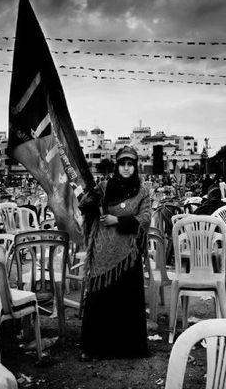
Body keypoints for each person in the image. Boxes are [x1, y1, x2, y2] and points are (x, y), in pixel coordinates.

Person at [79, 146, 151, 361]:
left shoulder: (142, 190)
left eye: (130, 164)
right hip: (103, 251)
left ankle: (129, 349)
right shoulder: (103, 187)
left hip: (128, 253)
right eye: (123, 164)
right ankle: (96, 348)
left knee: (127, 300)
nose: (126, 168)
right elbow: (86, 209)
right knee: (101, 298)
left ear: (135, 166)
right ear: (117, 166)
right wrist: (90, 199)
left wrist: (116, 220)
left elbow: (145, 218)